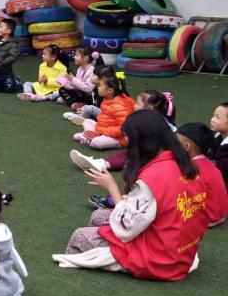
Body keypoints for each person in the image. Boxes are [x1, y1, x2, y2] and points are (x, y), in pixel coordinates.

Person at [53, 111, 216, 280]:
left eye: (129, 138)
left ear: (143, 141)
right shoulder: (183, 164)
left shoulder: (153, 176)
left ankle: (80, 282)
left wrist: (111, 187)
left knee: (80, 236)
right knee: (98, 216)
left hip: (160, 259)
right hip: (181, 249)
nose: (127, 143)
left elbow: (126, 229)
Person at [71, 90, 177, 176]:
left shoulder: (154, 123)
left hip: (157, 156)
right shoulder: (148, 119)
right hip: (151, 152)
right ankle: (100, 162)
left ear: (149, 108)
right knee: (126, 154)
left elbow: (165, 140)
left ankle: (102, 164)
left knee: (128, 156)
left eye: (138, 104)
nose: (134, 105)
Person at [174, 124, 227, 226]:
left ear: (186, 147)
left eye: (176, 143)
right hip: (219, 213)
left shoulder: (191, 169)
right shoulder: (207, 163)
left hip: (207, 217)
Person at [68, 72, 134, 149]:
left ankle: (90, 139)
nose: (98, 88)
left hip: (118, 138)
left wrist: (103, 131)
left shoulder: (119, 106)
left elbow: (123, 128)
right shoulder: (107, 99)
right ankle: (91, 136)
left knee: (96, 143)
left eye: (100, 86)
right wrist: (100, 128)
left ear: (110, 90)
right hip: (103, 130)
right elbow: (103, 118)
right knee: (87, 121)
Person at [0, 19, 21, 93]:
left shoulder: (12, 43)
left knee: (9, 90)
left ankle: (16, 81)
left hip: (5, 72)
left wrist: (2, 63)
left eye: (1, 27)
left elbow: (14, 56)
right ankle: (1, 82)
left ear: (8, 31)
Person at [210, 103, 228, 181]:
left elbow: (220, 167)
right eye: (213, 116)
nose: (212, 119)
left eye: (217, 117)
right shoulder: (217, 136)